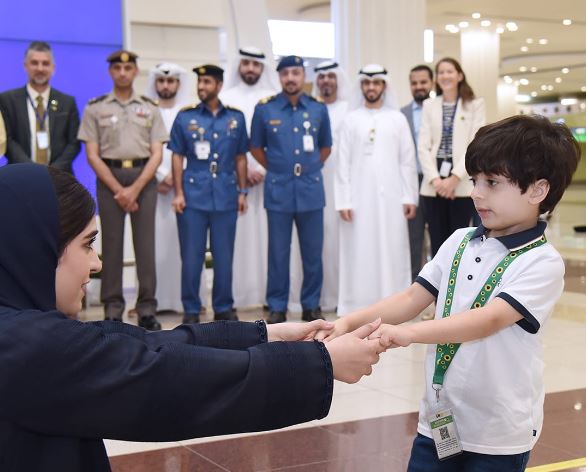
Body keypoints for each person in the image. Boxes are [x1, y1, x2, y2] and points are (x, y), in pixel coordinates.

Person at [0, 163, 390, 471]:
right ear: (36, 247)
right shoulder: (25, 345)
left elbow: (149, 344)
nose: (97, 263)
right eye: (87, 245)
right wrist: (321, 363)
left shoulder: (21, 329)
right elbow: (166, 380)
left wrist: (267, 335)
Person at [319, 115, 581, 471]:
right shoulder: (459, 240)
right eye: (475, 180)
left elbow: (488, 320)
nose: (476, 193)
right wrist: (348, 323)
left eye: (492, 182)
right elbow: (411, 298)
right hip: (438, 421)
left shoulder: (541, 262)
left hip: (498, 434)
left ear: (537, 190)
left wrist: (409, 334)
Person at [78, 50, 167, 330]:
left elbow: (157, 153)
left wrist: (135, 188)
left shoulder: (150, 107)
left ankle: (147, 309)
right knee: (111, 246)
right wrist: (119, 189)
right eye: (117, 68)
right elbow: (92, 154)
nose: (123, 73)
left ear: (136, 71)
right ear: (111, 72)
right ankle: (113, 309)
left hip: (144, 177)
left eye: (128, 68)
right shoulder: (96, 107)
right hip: (109, 178)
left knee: (145, 247)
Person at [250, 55, 332, 324]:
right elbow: (255, 148)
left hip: (310, 189)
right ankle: (277, 306)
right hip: (279, 189)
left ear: (303, 76)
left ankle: (311, 305)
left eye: (296, 73)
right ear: (279, 77)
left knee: (313, 253)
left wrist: (309, 167)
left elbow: (325, 147)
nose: (290, 78)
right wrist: (277, 167)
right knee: (278, 252)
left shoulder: (318, 109)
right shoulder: (265, 109)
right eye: (285, 73)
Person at [335, 64, 418, 315]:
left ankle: (394, 305)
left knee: (392, 247)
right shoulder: (350, 119)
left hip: (392, 198)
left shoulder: (397, 119)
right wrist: (343, 201)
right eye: (367, 83)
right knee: (359, 248)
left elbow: (407, 161)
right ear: (361, 86)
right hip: (357, 200)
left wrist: (409, 196)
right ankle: (356, 304)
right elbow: (342, 163)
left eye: (376, 83)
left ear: (384, 86)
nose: (371, 87)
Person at [170, 65, 247, 324]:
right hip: (193, 195)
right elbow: (177, 156)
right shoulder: (186, 117)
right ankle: (191, 309)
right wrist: (178, 193)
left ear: (219, 85)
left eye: (207, 82)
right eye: (199, 82)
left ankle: (223, 307)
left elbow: (240, 157)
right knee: (192, 256)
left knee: (224, 257)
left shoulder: (235, 118)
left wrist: (243, 191)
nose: (201, 86)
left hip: (225, 194)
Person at [144, 62, 208, 315]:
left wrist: (175, 176)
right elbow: (143, 148)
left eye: (170, 81)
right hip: (154, 188)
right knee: (156, 245)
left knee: (190, 248)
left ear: (178, 84)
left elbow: (197, 150)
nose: (166, 85)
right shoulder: (147, 110)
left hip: (186, 189)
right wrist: (160, 176)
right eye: (161, 81)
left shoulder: (191, 112)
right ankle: (156, 300)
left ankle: (192, 300)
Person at [220, 46, 278, 310]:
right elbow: (223, 144)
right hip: (234, 183)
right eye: (246, 64)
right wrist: (242, 173)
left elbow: (278, 143)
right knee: (237, 241)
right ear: (239, 66)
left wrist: (262, 169)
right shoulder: (225, 97)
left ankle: (269, 295)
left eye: (256, 64)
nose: (251, 69)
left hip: (269, 179)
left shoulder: (273, 98)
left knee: (271, 239)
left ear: (262, 68)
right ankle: (239, 296)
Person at [418, 57, 485, 256]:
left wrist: (454, 178)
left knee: (459, 243)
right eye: (441, 72)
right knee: (437, 243)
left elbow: (475, 144)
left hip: (461, 183)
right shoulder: (429, 105)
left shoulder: (475, 105)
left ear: (459, 76)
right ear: (436, 78)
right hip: (433, 185)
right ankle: (437, 278)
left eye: (449, 71)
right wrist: (436, 180)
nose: (445, 76)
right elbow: (423, 146)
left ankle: (457, 277)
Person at [0, 41, 80, 173]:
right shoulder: (7, 100)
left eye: (45, 63)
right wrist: (33, 170)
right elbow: (8, 140)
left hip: (59, 176)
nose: (40, 68)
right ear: (25, 66)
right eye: (34, 63)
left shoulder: (67, 102)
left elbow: (74, 143)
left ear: (53, 68)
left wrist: (53, 171)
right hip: (20, 174)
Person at [401, 65, 434, 281]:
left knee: (441, 237)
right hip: (411, 181)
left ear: (431, 83)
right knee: (413, 239)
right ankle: (414, 284)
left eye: (423, 82)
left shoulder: (439, 109)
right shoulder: (401, 114)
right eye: (414, 83)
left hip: (435, 181)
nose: (419, 86)